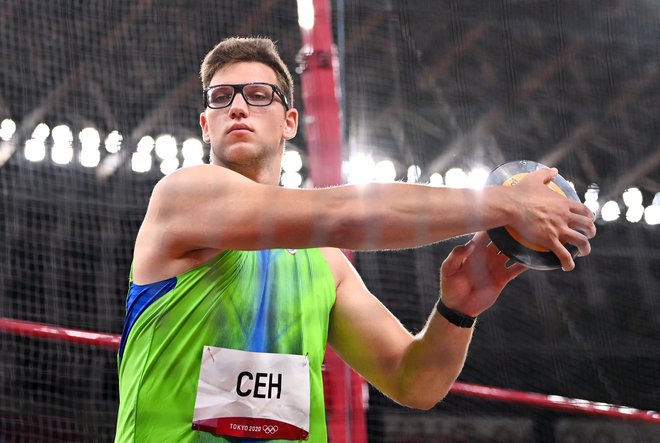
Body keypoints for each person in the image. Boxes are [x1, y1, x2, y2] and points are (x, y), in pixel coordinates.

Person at [114, 36, 596, 442]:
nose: (237, 106)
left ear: (289, 122)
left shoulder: (326, 265)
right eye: (220, 98)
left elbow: (415, 383)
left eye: (258, 94)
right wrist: (507, 204)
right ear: (205, 125)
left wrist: (457, 311)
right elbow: (343, 215)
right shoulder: (183, 196)